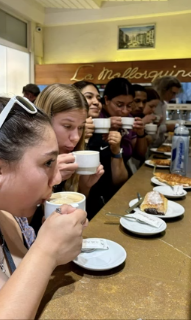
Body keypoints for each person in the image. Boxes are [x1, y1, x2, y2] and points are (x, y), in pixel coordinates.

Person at [0, 95, 88, 318]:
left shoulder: (9, 215)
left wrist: (59, 245)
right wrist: (46, 251)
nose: (56, 178)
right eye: (48, 163)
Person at [29, 84, 104, 231]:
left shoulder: (70, 156)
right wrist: (47, 180)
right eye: (67, 126)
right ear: (44, 122)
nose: (76, 137)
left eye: (81, 127)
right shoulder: (20, 161)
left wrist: (85, 186)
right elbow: (15, 228)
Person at [73, 81, 129, 220]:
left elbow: (119, 181)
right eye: (89, 96)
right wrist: (80, 138)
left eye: (98, 98)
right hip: (80, 209)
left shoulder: (103, 133)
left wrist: (116, 150)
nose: (96, 102)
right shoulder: (68, 138)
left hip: (107, 206)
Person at [100, 78, 148, 170]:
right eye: (119, 105)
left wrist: (141, 134)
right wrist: (105, 125)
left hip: (122, 172)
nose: (125, 111)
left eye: (129, 105)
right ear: (106, 100)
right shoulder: (97, 116)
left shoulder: (129, 118)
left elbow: (139, 155)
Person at [151, 76, 182, 147]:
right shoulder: (152, 104)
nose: (174, 97)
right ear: (163, 89)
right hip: (150, 146)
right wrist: (167, 127)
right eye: (173, 93)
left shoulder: (164, 104)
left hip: (158, 145)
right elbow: (149, 128)